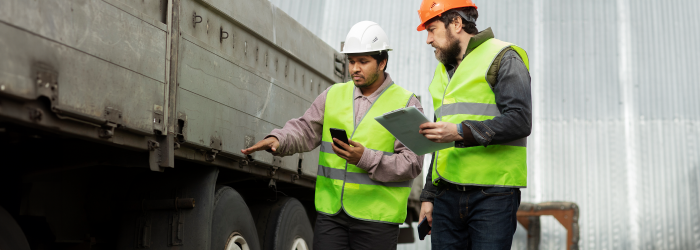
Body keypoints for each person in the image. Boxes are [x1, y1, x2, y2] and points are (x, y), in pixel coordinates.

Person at [241, 21, 423, 250]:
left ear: (382, 62)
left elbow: (412, 163)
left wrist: (365, 158)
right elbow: (306, 129)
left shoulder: (406, 103)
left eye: (363, 61)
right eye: (351, 61)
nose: (355, 68)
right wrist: (279, 139)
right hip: (331, 215)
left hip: (377, 219)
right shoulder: (333, 94)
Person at [414, 0, 532, 249]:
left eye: (431, 29)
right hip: (446, 194)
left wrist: (458, 131)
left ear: (456, 23)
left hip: (493, 196)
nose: (428, 40)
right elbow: (439, 139)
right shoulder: (442, 72)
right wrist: (429, 195)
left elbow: (520, 120)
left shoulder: (503, 57)